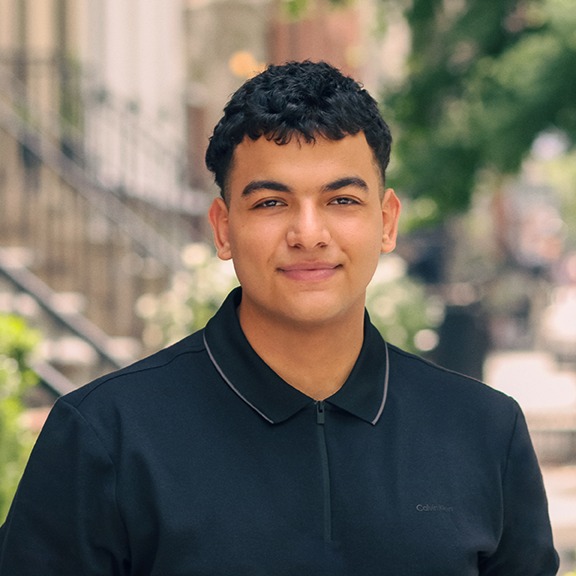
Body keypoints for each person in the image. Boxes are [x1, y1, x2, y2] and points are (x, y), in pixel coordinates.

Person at [0, 61, 558, 575]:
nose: (308, 234)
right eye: (271, 202)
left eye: (341, 200)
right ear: (223, 228)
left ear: (387, 222)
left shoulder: (485, 432)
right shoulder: (105, 437)